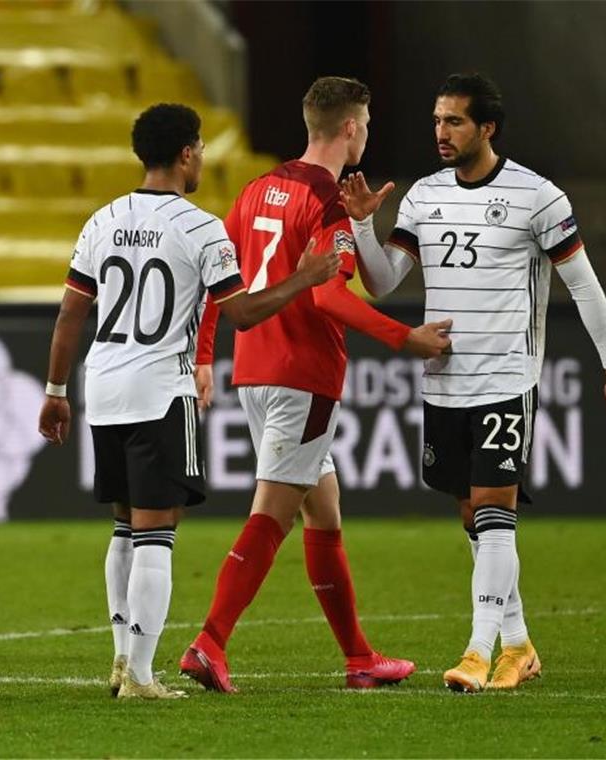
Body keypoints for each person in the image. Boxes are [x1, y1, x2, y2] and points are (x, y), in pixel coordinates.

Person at [341, 72, 606, 692]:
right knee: (474, 516)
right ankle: (519, 645)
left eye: (454, 121)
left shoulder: (538, 197)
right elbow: (381, 281)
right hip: (442, 383)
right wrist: (364, 226)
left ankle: (476, 653)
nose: (441, 133)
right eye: (436, 121)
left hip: (506, 378)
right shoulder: (423, 196)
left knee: (495, 511)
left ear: (487, 128)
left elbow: (583, 285)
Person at [38, 103, 341, 700]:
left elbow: (72, 312)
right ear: (184, 154)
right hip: (158, 390)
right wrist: (305, 278)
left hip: (102, 386)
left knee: (124, 526)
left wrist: (54, 390)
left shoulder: (102, 219)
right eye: (200, 148)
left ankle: (124, 660)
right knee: (157, 530)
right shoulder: (201, 227)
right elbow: (244, 312)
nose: (203, 157)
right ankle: (144, 676)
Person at [179, 76, 451, 693]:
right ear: (351, 128)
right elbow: (331, 297)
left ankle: (359, 657)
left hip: (254, 370)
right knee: (272, 515)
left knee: (321, 509)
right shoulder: (326, 201)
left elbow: (217, 277)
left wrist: (204, 356)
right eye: (368, 125)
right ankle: (210, 641)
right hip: (304, 376)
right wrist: (404, 339)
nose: (368, 134)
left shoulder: (257, 188)